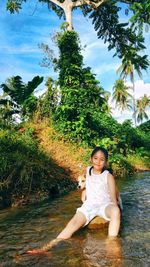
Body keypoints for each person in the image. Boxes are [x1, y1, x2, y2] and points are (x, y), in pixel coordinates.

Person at [27, 146, 120, 254]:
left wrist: (116, 211)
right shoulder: (88, 169)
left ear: (106, 162)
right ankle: (47, 248)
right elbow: (88, 185)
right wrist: (84, 194)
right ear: (91, 159)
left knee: (115, 211)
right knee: (72, 224)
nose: (98, 162)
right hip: (89, 205)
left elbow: (113, 199)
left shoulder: (108, 176)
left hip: (104, 205)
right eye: (95, 158)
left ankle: (111, 245)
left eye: (102, 159)